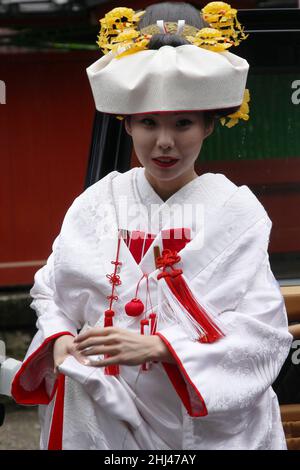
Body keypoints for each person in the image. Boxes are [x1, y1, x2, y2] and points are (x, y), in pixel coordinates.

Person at [11, 2, 292, 450]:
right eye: (148, 123)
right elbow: (53, 293)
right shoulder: (97, 203)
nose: (164, 142)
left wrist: (166, 349)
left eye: (182, 123)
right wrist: (60, 339)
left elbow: (264, 333)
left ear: (208, 126)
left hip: (201, 424)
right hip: (102, 416)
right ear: (126, 124)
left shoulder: (236, 213)